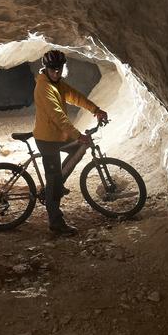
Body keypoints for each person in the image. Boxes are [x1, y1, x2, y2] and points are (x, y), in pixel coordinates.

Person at [33, 50, 108, 236]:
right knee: (54, 182)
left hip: (57, 136)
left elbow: (75, 96)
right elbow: (58, 117)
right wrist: (77, 135)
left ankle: (58, 182)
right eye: (53, 70)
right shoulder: (44, 87)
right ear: (47, 69)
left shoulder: (57, 84)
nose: (56, 73)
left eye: (59, 70)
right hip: (47, 140)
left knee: (80, 148)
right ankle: (55, 222)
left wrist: (95, 109)